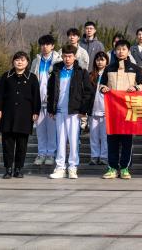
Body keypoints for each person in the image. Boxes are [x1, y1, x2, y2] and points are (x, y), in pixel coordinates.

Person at [99, 40, 142, 180]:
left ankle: (125, 168)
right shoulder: (109, 68)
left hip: (128, 111)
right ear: (114, 51)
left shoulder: (135, 68)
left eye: (123, 49)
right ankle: (112, 168)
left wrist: (135, 88)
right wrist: (103, 88)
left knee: (127, 141)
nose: (121, 51)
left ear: (128, 51)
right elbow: (101, 85)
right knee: (112, 140)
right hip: (112, 111)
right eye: (118, 49)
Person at [46, 44, 93, 180]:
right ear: (62, 56)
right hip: (60, 111)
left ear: (75, 57)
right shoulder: (56, 71)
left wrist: (83, 110)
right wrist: (51, 109)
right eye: (65, 56)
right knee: (60, 140)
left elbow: (88, 93)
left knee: (73, 141)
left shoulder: (81, 72)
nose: (67, 59)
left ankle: (72, 167)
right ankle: (60, 167)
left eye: (70, 56)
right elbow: (50, 91)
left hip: (74, 112)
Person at [0, 51, 41, 179]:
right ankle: (8, 169)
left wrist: (36, 112)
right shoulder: (6, 76)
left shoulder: (32, 77)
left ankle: (18, 169)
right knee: (7, 144)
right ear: (13, 62)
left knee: (22, 144)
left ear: (27, 62)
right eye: (17, 60)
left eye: (22, 60)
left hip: (25, 115)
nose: (19, 62)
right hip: (8, 114)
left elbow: (36, 96)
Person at [29, 34, 62, 166]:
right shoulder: (36, 61)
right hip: (38, 101)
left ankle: (51, 154)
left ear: (52, 46)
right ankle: (41, 153)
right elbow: (32, 80)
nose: (44, 47)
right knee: (40, 130)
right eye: (42, 44)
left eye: (47, 44)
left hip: (51, 102)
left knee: (52, 130)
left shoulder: (58, 62)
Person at [89, 51, 109, 166]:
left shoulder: (110, 75)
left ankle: (104, 156)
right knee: (94, 135)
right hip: (93, 109)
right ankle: (94, 156)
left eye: (102, 60)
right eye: (97, 60)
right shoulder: (91, 75)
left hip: (105, 109)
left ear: (106, 61)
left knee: (104, 136)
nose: (100, 62)